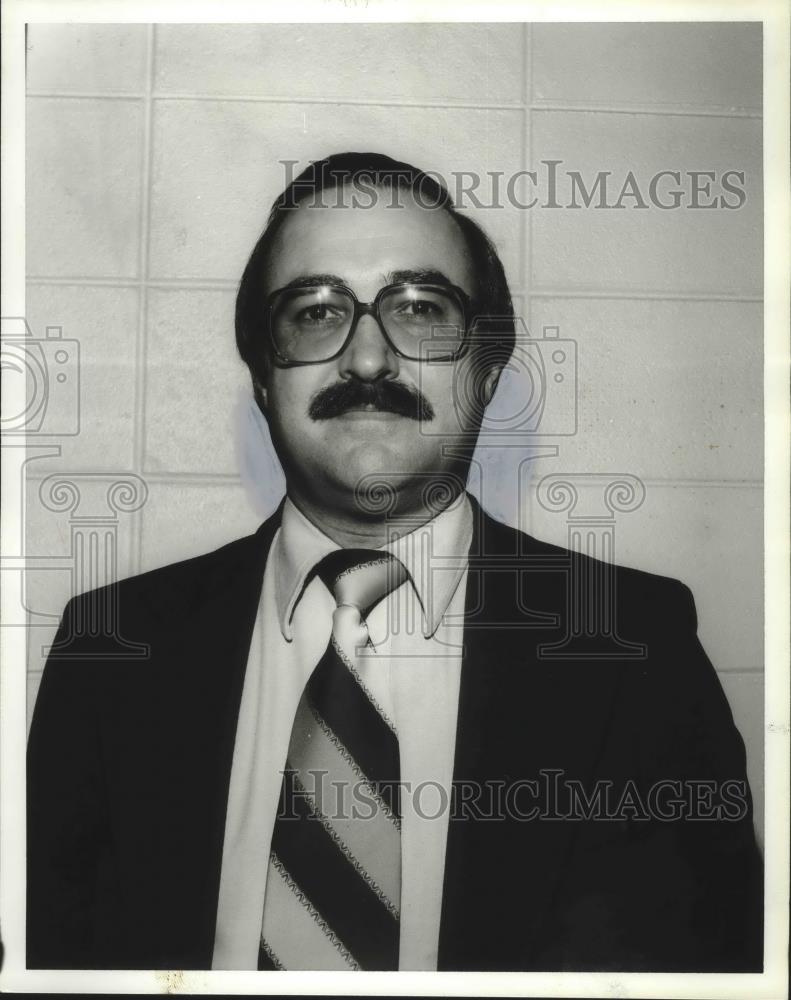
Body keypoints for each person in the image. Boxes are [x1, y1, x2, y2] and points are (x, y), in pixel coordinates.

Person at [27, 152, 763, 973]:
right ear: (263, 378)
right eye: (313, 312)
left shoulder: (636, 648)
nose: (368, 361)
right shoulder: (111, 649)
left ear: (486, 370)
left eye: (420, 309)